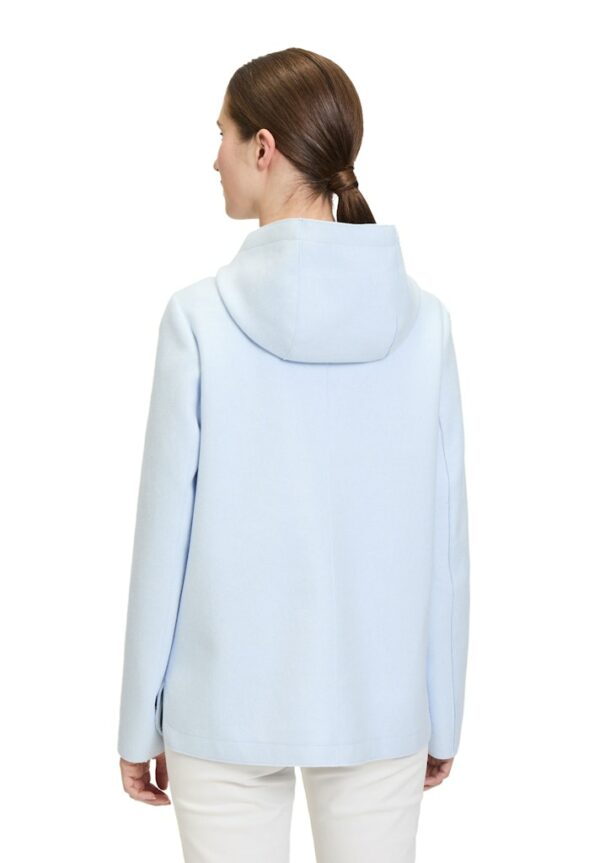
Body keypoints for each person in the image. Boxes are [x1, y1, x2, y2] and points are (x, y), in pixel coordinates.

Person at [117, 47, 470, 863]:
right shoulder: (424, 325)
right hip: (379, 703)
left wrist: (139, 719)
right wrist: (441, 710)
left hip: (221, 707)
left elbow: (163, 540)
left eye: (222, 134)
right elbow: (444, 542)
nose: (214, 157)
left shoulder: (198, 320)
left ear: (263, 147)